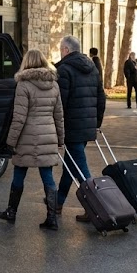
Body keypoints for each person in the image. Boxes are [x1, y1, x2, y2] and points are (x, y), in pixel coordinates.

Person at [0, 49, 65, 230]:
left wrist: (10, 141)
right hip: (48, 135)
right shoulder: (54, 84)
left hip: (26, 137)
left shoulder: (23, 85)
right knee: (48, 177)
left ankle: (11, 211)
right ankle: (52, 218)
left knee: (19, 172)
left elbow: (19, 118)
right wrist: (60, 138)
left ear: (26, 62)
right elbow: (59, 115)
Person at [55, 36, 106, 222]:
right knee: (70, 166)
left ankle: (97, 208)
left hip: (72, 127)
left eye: (61, 49)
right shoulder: (92, 68)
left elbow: (60, 104)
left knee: (82, 170)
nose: (60, 52)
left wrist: (57, 128)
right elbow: (102, 97)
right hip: (86, 126)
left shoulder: (64, 70)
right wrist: (96, 122)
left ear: (66, 50)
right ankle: (58, 202)